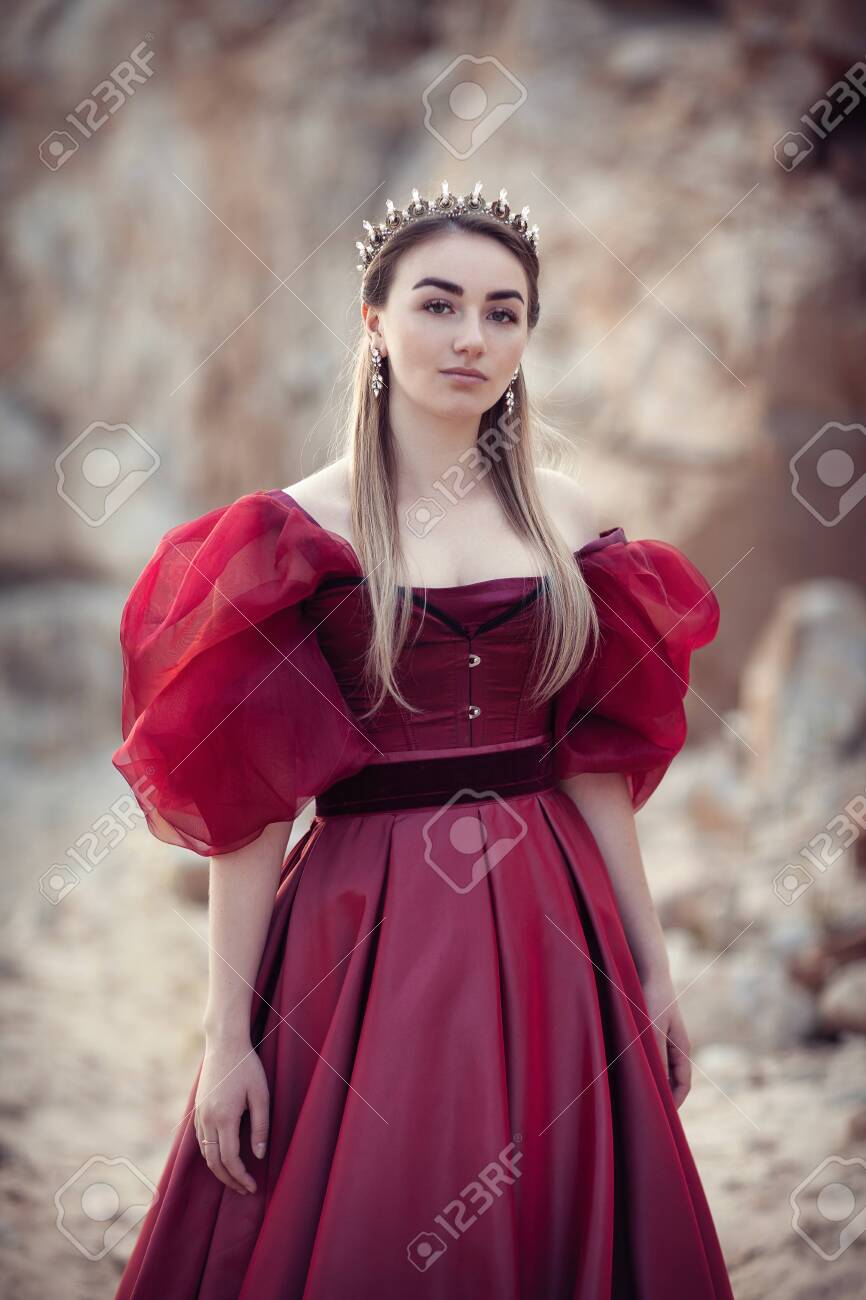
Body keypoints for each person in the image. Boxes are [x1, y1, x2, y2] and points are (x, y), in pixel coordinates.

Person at [111, 180, 733, 1298]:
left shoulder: (572, 521)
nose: (471, 337)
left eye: (504, 312)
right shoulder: (289, 535)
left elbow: (595, 767)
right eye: (438, 305)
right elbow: (250, 818)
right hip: (359, 927)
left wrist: (650, 968)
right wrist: (225, 1037)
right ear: (373, 320)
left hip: (554, 919)